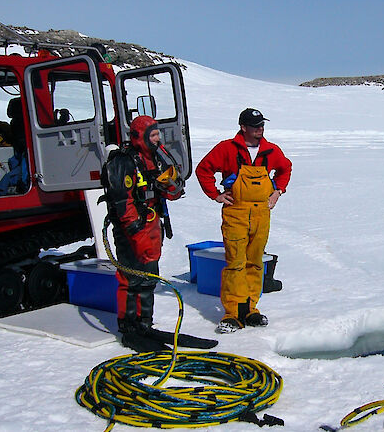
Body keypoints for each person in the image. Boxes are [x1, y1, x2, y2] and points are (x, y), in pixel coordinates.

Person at [196, 108, 292, 334]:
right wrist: (216, 194)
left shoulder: (271, 150)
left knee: (255, 262)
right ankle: (233, 313)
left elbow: (285, 168)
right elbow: (204, 170)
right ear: (243, 127)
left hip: (261, 214)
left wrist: (278, 191)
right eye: (255, 126)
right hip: (235, 213)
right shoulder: (226, 149)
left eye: (262, 125)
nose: (260, 129)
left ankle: (250, 309)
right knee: (235, 263)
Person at [102, 115, 184, 351]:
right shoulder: (123, 162)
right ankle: (129, 326)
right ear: (139, 137)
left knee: (150, 275)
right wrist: (133, 229)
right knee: (131, 276)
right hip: (131, 228)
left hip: (152, 223)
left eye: (158, 134)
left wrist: (169, 184)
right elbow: (122, 200)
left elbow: (174, 190)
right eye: (153, 135)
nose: (157, 139)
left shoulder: (157, 159)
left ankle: (144, 323)